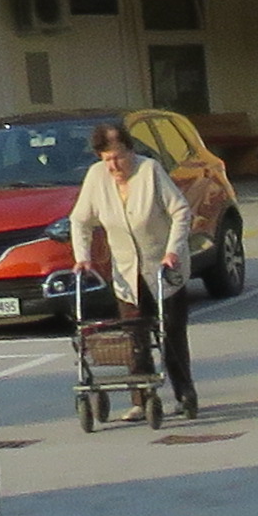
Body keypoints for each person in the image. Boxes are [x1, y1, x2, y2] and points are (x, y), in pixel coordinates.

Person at [69, 119, 196, 415]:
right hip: (126, 274)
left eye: (119, 157)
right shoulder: (96, 177)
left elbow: (181, 211)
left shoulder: (150, 171)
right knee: (134, 338)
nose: (114, 165)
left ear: (130, 151)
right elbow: (80, 220)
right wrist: (82, 257)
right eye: (107, 159)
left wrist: (172, 251)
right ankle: (142, 401)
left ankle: (184, 395)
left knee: (171, 335)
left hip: (163, 270)